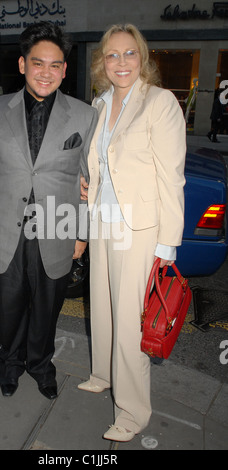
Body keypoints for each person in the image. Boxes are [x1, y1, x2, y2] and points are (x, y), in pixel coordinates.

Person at [0, 22, 97, 400]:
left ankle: (41, 365)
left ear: (64, 69)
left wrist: (80, 233)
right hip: (4, 226)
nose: (47, 72)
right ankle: (10, 362)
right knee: (8, 306)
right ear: (23, 64)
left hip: (57, 228)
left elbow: (88, 180)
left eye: (55, 65)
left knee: (47, 308)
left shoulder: (84, 115)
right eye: (38, 63)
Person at [78, 24, 186, 442]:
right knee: (102, 305)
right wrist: (87, 184)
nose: (120, 62)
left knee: (129, 322)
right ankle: (102, 373)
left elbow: (171, 177)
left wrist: (168, 245)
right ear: (101, 63)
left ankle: (133, 410)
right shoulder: (101, 103)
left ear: (142, 58)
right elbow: (100, 163)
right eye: (111, 55)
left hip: (139, 228)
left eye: (129, 54)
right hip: (103, 221)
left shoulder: (159, 103)